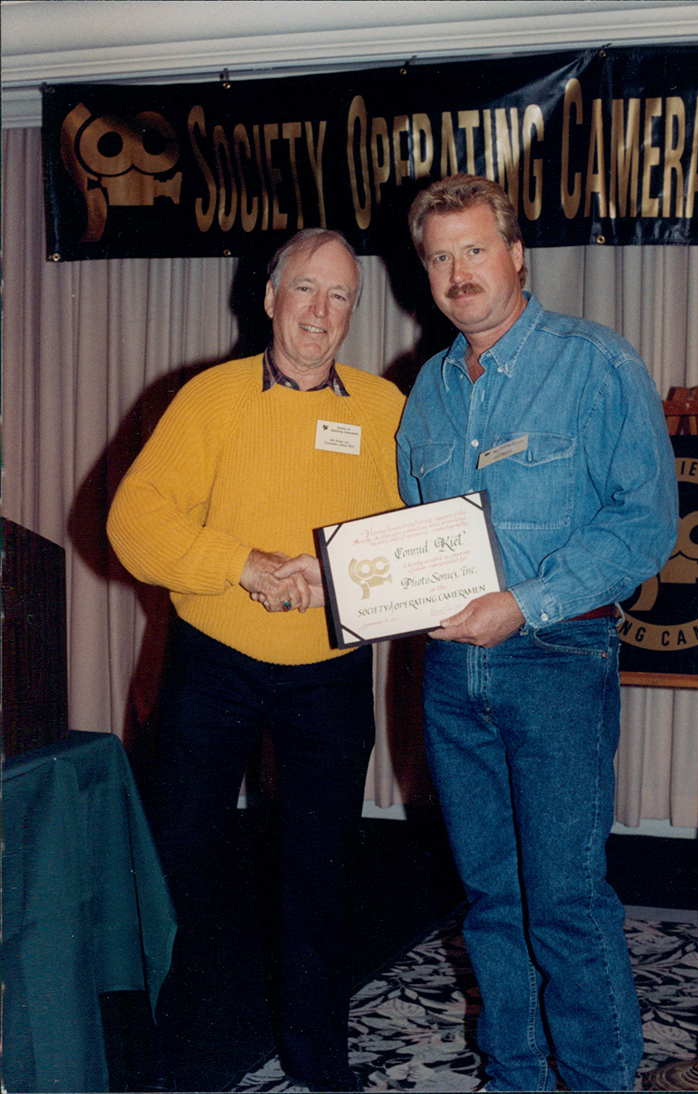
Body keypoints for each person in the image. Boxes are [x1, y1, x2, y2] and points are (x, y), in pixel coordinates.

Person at [395, 175, 678, 1092]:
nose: (458, 273)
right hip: (452, 671)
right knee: (490, 896)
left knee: (564, 900)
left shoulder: (596, 364)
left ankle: (598, 1081)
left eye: (475, 249)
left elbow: (645, 524)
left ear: (517, 256)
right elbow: (411, 531)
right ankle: (515, 1076)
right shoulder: (427, 391)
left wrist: (523, 603)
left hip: (557, 657)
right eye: (440, 257)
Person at [107, 227, 405, 1093]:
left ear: (353, 311)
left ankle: (319, 1059)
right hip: (215, 665)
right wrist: (244, 565)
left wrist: (336, 577)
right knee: (181, 860)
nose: (320, 311)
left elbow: (417, 534)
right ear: (270, 298)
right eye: (305, 288)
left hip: (331, 673)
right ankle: (166, 1057)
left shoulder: (385, 408)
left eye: (340, 295)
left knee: (321, 871)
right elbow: (134, 521)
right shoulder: (211, 397)